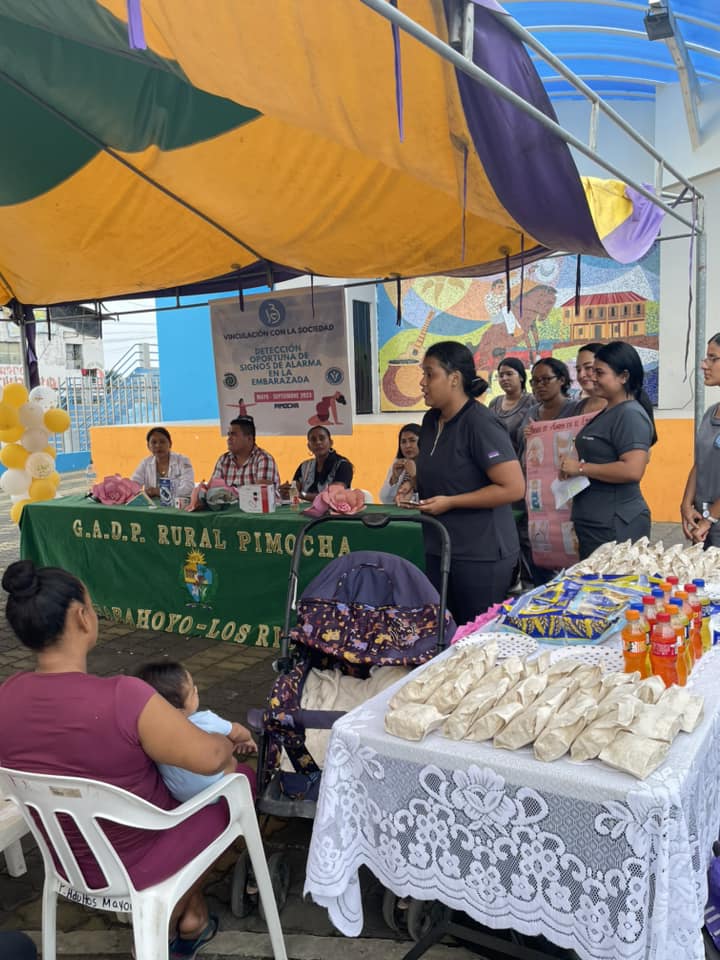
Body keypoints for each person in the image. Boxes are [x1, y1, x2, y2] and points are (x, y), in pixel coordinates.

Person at [0, 560, 237, 956]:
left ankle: (192, 913)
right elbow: (210, 757)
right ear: (82, 617)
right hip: (145, 857)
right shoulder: (124, 697)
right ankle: (175, 915)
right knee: (237, 784)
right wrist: (229, 740)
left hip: (67, 861)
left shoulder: (6, 696)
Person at [401, 341, 525, 625]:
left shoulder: (480, 423)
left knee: (475, 636)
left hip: (480, 554)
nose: (422, 383)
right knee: (444, 631)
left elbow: (513, 487)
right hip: (440, 546)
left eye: (429, 374)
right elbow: (445, 472)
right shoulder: (430, 421)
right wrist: (412, 484)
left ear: (454, 378)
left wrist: (452, 502)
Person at [559, 341, 656, 559]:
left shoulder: (630, 414)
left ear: (623, 376)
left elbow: (632, 470)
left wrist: (580, 468)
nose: (592, 377)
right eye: (592, 371)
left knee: (614, 579)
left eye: (599, 373)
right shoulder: (609, 411)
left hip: (615, 522)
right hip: (594, 519)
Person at [136, 661, 257, 803]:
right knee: (232, 760)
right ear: (180, 709)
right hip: (214, 792)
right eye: (193, 691)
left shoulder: (149, 730)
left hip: (181, 795)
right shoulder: (205, 719)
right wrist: (246, 739)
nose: (196, 690)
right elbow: (236, 731)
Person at [681, 333, 720, 548]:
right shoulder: (710, 414)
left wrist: (711, 517)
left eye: (713, 359)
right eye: (706, 358)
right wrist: (686, 505)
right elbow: (700, 463)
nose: (704, 365)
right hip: (704, 523)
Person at [280, 426, 353, 503]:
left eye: (322, 438)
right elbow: (294, 491)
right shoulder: (304, 466)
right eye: (313, 440)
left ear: (331, 443)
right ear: (309, 446)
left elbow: (332, 495)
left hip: (332, 509)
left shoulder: (343, 465)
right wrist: (286, 492)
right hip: (305, 509)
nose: (318, 442)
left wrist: (301, 495)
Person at [211, 416, 280, 497]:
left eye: (233, 435)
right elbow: (213, 492)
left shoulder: (264, 459)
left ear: (249, 439)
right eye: (229, 435)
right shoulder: (223, 460)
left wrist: (230, 494)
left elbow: (262, 495)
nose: (229, 439)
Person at [131, 426, 195, 498]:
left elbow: (188, 488)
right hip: (152, 504)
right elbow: (133, 485)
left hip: (176, 503)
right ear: (148, 446)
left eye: (162, 442)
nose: (158, 445)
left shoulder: (182, 461)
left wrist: (159, 491)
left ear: (170, 444)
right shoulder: (145, 463)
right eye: (154, 442)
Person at [487, 358, 534, 454]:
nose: (504, 378)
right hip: (496, 458)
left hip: (522, 459)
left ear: (521, 377)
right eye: (501, 375)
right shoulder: (494, 403)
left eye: (509, 374)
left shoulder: (532, 401)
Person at [379, 423, 421, 504]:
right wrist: (394, 478)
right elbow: (385, 499)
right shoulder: (398, 463)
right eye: (403, 442)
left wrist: (414, 476)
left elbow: (429, 499)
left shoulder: (432, 464)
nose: (407, 445)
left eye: (412, 440)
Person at [572, 342, 608, 415]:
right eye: (578, 370)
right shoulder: (577, 408)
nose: (581, 375)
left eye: (588, 367)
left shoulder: (621, 407)